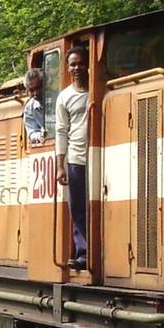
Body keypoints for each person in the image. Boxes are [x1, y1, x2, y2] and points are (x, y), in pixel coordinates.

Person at [55, 48, 91, 270]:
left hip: (101, 157)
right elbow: (61, 130)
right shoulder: (64, 97)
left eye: (80, 63)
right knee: (78, 207)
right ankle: (84, 253)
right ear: (67, 68)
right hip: (76, 158)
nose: (76, 68)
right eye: (72, 64)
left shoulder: (98, 90)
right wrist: (60, 166)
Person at [21, 67, 48, 145]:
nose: (35, 93)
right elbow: (32, 133)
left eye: (38, 88)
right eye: (31, 90)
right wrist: (41, 135)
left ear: (45, 85)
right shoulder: (29, 109)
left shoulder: (59, 99)